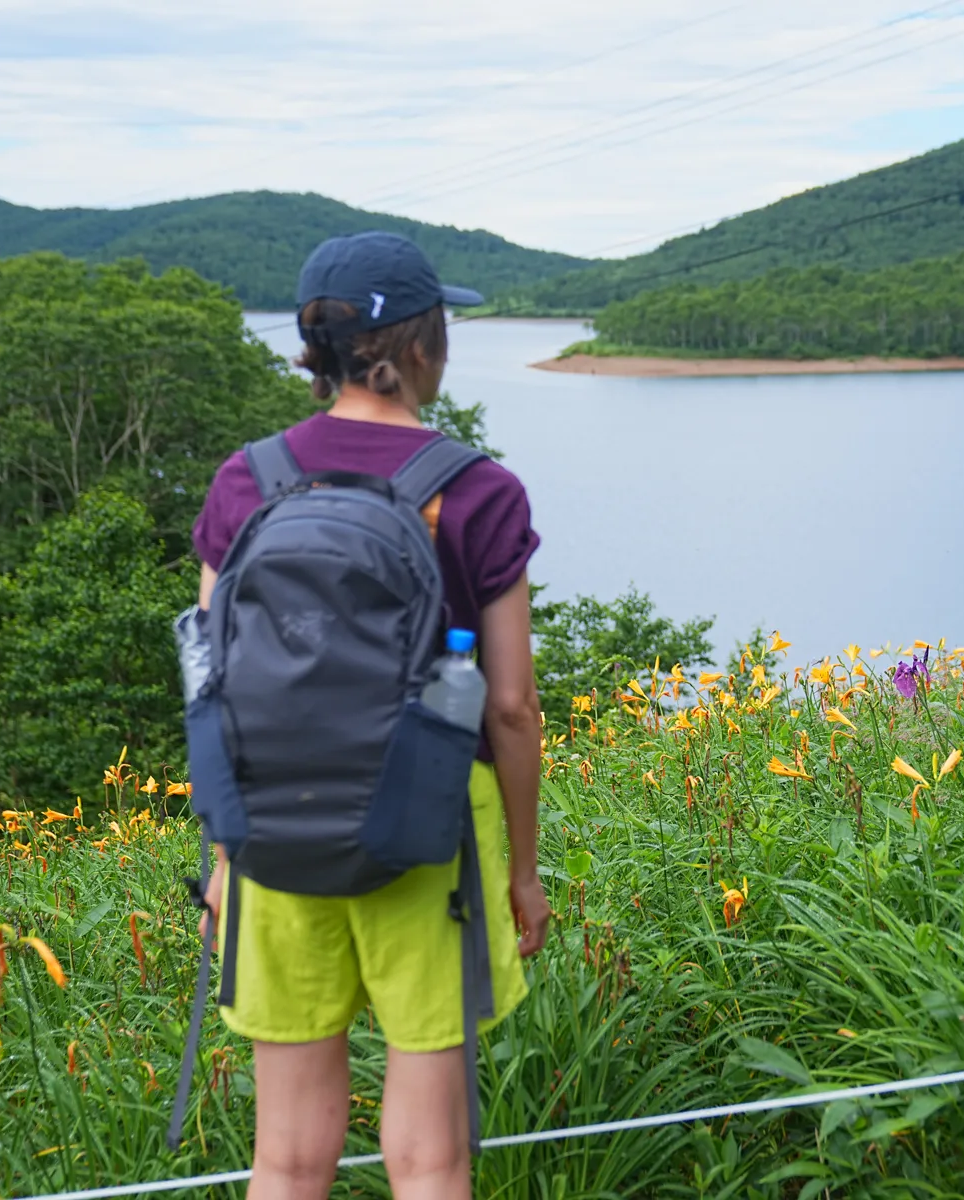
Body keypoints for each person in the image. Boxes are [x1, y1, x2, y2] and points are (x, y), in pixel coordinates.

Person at [190, 232, 551, 1200]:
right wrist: (522, 869)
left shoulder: (247, 479)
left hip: (269, 835)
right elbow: (510, 709)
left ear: (318, 349)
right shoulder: (475, 488)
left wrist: (225, 857)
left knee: (288, 1156)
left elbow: (216, 682)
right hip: (429, 832)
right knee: (429, 1159)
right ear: (422, 344)